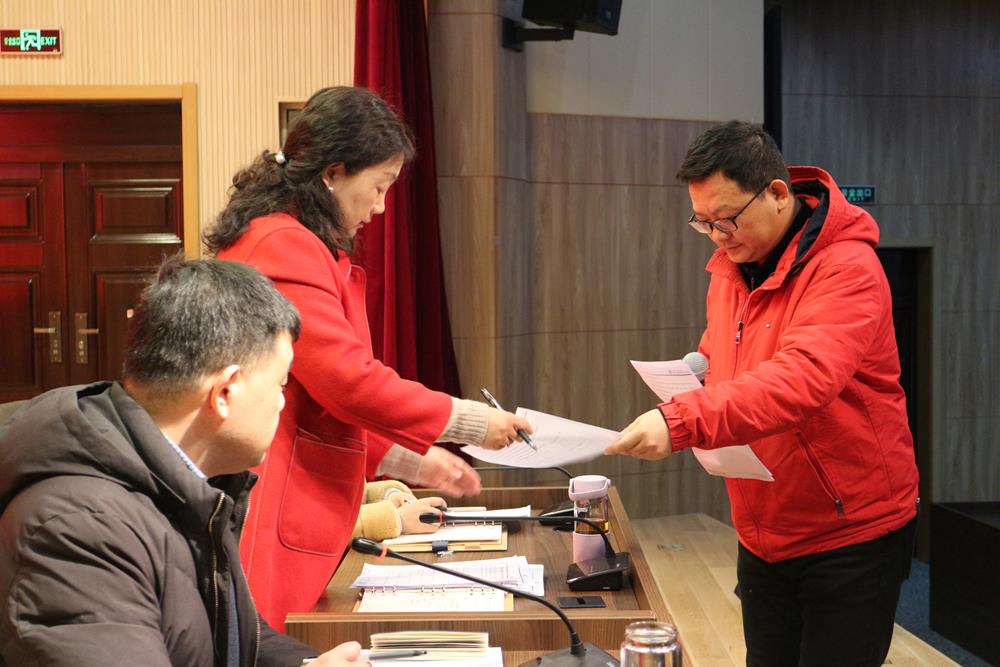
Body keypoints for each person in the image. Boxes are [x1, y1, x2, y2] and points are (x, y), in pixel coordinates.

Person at [206, 86, 533, 629]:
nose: (380, 207)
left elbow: (325, 402)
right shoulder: (283, 244)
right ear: (333, 173)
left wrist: (415, 461)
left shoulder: (291, 238)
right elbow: (345, 383)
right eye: (379, 187)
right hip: (274, 490)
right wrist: (472, 422)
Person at [606, 121, 919, 667]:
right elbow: (727, 348)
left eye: (726, 218)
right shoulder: (732, 267)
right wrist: (698, 369)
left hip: (849, 530)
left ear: (777, 193)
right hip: (764, 526)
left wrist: (681, 420)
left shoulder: (847, 268)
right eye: (702, 222)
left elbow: (803, 377)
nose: (717, 236)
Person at [0, 256, 365, 666]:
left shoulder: (182, 483)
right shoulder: (80, 527)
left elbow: (224, 635)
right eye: (281, 384)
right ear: (224, 392)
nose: (282, 403)